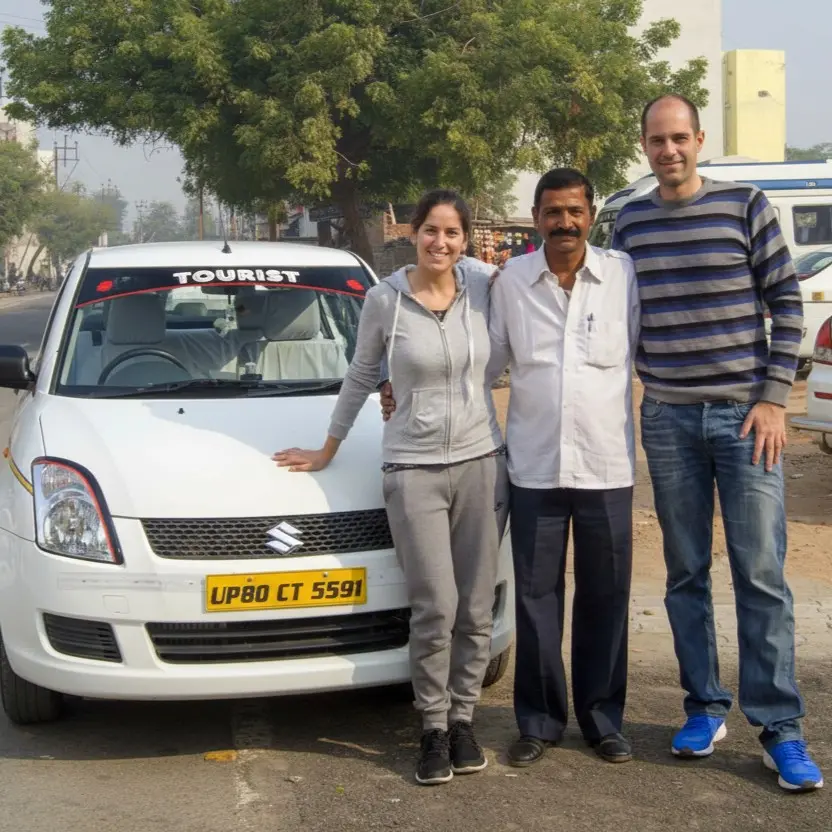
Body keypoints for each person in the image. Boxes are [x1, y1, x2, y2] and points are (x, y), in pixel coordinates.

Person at [382, 168, 641, 766]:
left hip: (606, 467)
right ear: (536, 216)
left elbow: (648, 349)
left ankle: (604, 720)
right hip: (533, 468)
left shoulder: (622, 276)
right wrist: (401, 386)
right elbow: (478, 357)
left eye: (574, 211)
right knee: (536, 597)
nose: (564, 222)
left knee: (606, 594)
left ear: (591, 214)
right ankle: (540, 723)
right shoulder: (511, 282)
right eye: (553, 212)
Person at [611, 93, 823, 792]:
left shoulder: (746, 206)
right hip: (667, 421)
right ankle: (705, 706)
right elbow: (610, 312)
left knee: (760, 574)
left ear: (700, 139)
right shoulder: (632, 222)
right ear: (643, 146)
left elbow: (787, 304)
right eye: (656, 140)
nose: (668, 150)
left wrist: (771, 401)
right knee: (685, 574)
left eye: (679, 138)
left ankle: (780, 729)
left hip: (746, 422)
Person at [273, 189, 509, 787]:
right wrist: (328, 446)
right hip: (414, 470)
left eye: (453, 233)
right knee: (437, 607)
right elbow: (360, 374)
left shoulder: (481, 289)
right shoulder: (385, 299)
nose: (440, 243)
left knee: (477, 607)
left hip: (481, 462)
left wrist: (475, 256)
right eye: (431, 230)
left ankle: (463, 720)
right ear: (412, 231)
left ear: (465, 240)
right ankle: (431, 728)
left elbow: (505, 272)